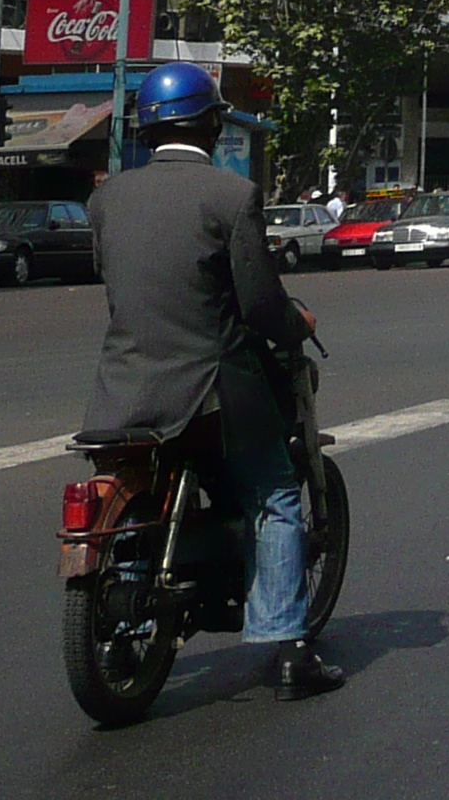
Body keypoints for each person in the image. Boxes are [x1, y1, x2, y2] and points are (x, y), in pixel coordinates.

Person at [81, 63, 343, 703]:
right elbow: (258, 306)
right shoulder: (232, 195)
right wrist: (297, 321)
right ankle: (288, 648)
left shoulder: (107, 199)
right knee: (277, 495)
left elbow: (118, 285)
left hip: (125, 392)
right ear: (212, 123)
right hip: (211, 394)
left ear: (146, 130)